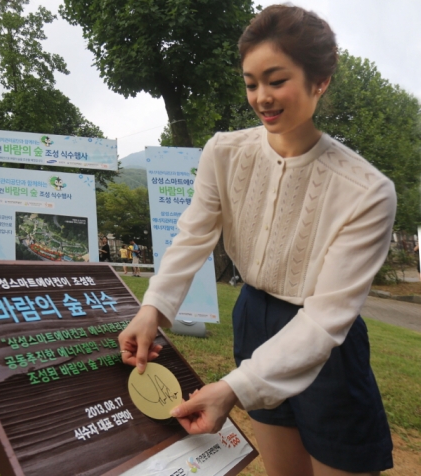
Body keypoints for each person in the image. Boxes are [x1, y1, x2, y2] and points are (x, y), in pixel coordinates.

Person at [119, 5, 394, 475]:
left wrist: (233, 388)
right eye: (251, 83)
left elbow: (327, 319)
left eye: (276, 80)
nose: (262, 97)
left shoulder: (368, 191)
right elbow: (193, 236)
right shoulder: (224, 152)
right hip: (252, 315)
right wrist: (153, 309)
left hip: (326, 341)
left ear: (320, 81)